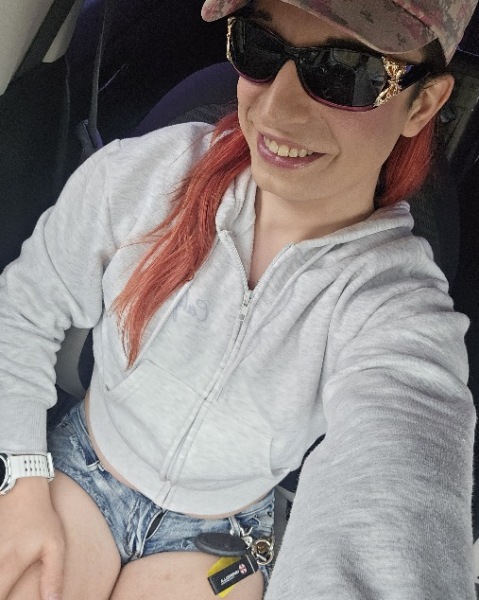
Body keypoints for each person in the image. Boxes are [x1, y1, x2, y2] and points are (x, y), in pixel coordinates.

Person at [0, 0, 477, 598]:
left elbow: (400, 478)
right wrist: (20, 475)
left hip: (221, 535)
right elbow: (24, 308)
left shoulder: (394, 303)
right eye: (260, 47)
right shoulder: (146, 175)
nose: (276, 108)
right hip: (82, 469)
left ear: (424, 103)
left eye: (345, 72)